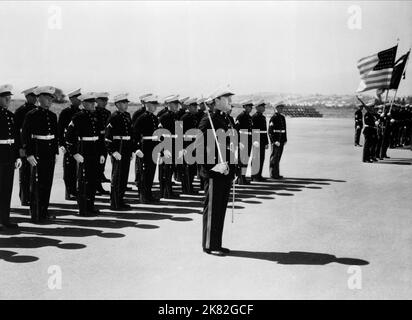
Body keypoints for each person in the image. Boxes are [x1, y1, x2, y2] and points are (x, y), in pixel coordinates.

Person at [198, 89, 236, 256]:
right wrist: (212, 166)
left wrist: (233, 169)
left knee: (220, 209)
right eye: (226, 98)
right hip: (214, 171)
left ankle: (216, 243)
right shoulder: (208, 120)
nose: (229, 100)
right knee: (213, 209)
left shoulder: (225, 118)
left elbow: (230, 146)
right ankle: (209, 244)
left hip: (226, 170)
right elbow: (199, 147)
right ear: (217, 100)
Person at [65, 92, 106, 216]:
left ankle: (91, 205)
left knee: (93, 179)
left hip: (95, 149)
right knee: (83, 180)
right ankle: (83, 208)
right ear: (83, 103)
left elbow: (101, 136)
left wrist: (102, 153)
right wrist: (74, 153)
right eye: (89, 102)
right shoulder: (78, 117)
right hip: (83, 149)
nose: (93, 105)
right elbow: (69, 136)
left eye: (93, 102)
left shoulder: (97, 116)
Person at [22, 86, 58, 223]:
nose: (49, 101)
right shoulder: (32, 114)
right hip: (37, 152)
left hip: (49, 153)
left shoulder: (52, 115)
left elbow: (55, 136)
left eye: (51, 98)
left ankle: (44, 211)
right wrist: (29, 154)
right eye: (47, 98)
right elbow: (25, 135)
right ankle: (36, 214)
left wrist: (55, 153)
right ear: (39, 98)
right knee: (37, 184)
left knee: (47, 183)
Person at [105, 94, 134, 210]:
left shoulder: (127, 115)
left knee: (124, 176)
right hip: (118, 146)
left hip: (126, 146)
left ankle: (120, 200)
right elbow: (107, 137)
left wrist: (132, 149)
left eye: (126, 103)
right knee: (117, 176)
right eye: (123, 103)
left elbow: (130, 133)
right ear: (117, 104)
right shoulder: (113, 117)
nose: (126, 105)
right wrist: (112, 151)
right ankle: (114, 203)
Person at [0, 84, 22, 231]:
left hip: (8, 156)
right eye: (5, 98)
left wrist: (17, 156)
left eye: (9, 98)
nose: (8, 100)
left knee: (6, 189)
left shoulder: (10, 116)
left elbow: (16, 138)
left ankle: (4, 220)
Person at [133, 95, 161, 204]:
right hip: (145, 146)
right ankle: (143, 196)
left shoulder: (154, 118)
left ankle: (148, 194)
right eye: (153, 105)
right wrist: (136, 149)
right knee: (144, 172)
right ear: (148, 105)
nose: (155, 107)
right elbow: (134, 134)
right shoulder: (142, 117)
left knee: (151, 171)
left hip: (153, 146)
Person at [14, 86, 37, 206]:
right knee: (24, 173)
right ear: (27, 97)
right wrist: (20, 147)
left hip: (34, 145)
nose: (34, 99)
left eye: (36, 97)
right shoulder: (20, 111)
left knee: (33, 174)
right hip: (24, 146)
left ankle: (31, 196)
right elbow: (17, 131)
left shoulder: (37, 110)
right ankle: (24, 197)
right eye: (32, 96)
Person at [57, 88, 82, 200]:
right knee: (69, 169)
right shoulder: (65, 112)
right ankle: (70, 191)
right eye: (77, 98)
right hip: (69, 143)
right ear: (71, 99)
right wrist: (61, 144)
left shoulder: (81, 112)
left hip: (79, 143)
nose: (79, 100)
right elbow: (60, 129)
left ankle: (76, 190)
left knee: (78, 169)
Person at [158, 95, 180, 199]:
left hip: (173, 145)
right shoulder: (164, 117)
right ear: (170, 105)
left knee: (170, 170)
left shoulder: (176, 116)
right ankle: (164, 191)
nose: (177, 106)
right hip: (166, 146)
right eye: (175, 104)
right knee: (165, 170)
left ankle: (168, 191)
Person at [180, 97, 199, 194]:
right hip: (187, 145)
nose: (196, 108)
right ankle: (186, 188)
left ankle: (189, 187)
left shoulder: (193, 116)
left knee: (191, 169)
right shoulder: (184, 117)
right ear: (189, 107)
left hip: (193, 145)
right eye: (194, 106)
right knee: (187, 168)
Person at [95, 92, 111, 195]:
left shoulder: (107, 112)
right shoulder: (94, 111)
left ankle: (99, 181)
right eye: (102, 100)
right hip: (96, 140)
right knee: (96, 164)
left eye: (106, 100)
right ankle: (97, 186)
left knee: (102, 162)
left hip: (104, 140)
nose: (105, 102)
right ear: (97, 101)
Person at [235, 99, 254, 185]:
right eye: (249, 107)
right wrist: (239, 142)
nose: (250, 108)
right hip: (242, 141)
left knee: (245, 161)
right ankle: (240, 179)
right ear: (244, 107)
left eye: (251, 107)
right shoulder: (240, 117)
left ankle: (243, 178)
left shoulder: (249, 117)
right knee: (241, 161)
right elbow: (236, 131)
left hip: (248, 141)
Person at [251, 100, 269, 182]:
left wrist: (266, 142)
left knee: (261, 158)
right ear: (257, 107)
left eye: (264, 106)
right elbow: (253, 130)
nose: (264, 108)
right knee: (256, 158)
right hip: (256, 141)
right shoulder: (254, 117)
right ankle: (254, 175)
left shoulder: (263, 117)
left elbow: (265, 132)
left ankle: (259, 175)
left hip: (262, 140)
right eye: (262, 106)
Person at [268, 103, 287, 179]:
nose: (281, 109)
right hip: (276, 139)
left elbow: (284, 129)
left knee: (278, 157)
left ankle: (277, 173)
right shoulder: (273, 118)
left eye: (282, 108)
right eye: (280, 108)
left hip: (281, 139)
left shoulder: (282, 117)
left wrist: (285, 139)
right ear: (276, 108)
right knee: (274, 157)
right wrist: (273, 141)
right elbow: (270, 131)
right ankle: (273, 174)